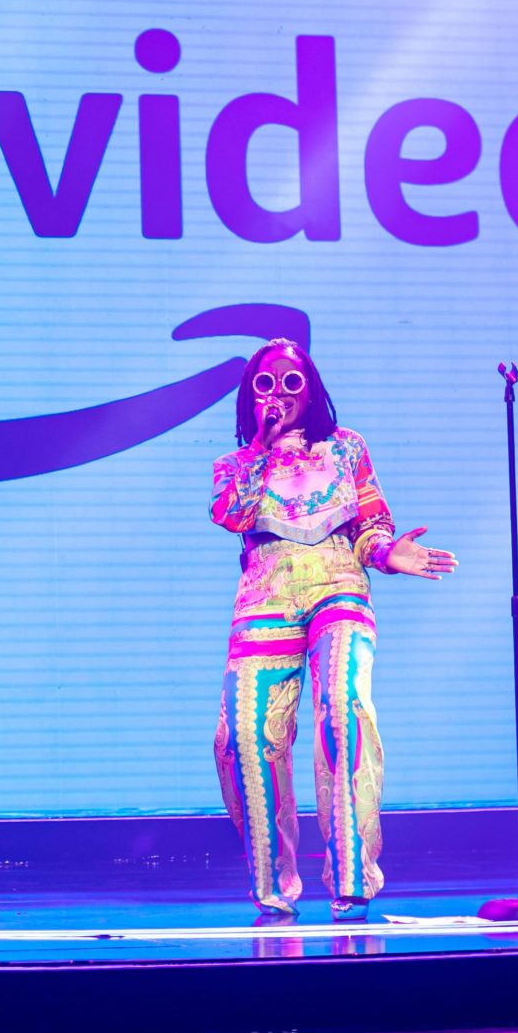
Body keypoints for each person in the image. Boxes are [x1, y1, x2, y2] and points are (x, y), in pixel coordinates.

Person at [208, 339, 455, 920]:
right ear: (250, 398)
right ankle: (273, 884)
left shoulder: (346, 449)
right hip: (265, 595)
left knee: (343, 710)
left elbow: (371, 523)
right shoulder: (235, 464)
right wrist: (262, 449)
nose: (279, 395)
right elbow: (231, 516)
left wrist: (388, 553)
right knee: (243, 736)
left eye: (291, 382)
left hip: (338, 583)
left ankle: (351, 875)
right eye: (265, 384)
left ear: (311, 390)